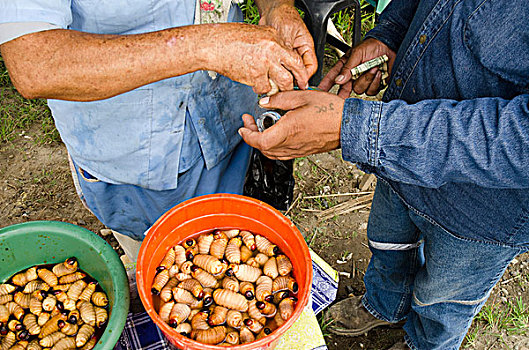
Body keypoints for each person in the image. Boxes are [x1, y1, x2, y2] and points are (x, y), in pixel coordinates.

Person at [238, 0, 529, 349]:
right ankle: (384, 304)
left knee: (443, 298)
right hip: (400, 156)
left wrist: (359, 130)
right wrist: (390, 33)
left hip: (483, 209)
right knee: (388, 242)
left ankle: (423, 342)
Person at [0, 0, 317, 260]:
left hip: (231, 118)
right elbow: (35, 64)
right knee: (165, 271)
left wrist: (276, 7)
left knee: (234, 254)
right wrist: (204, 46)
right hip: (136, 154)